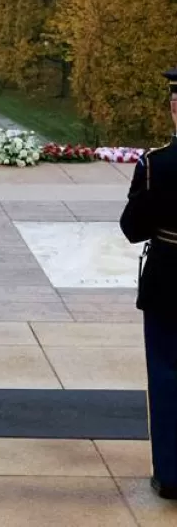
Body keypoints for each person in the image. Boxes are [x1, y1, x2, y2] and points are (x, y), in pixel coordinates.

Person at [120, 67, 177, 501]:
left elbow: (133, 228)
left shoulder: (157, 164)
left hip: (168, 280)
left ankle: (172, 474)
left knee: (166, 374)